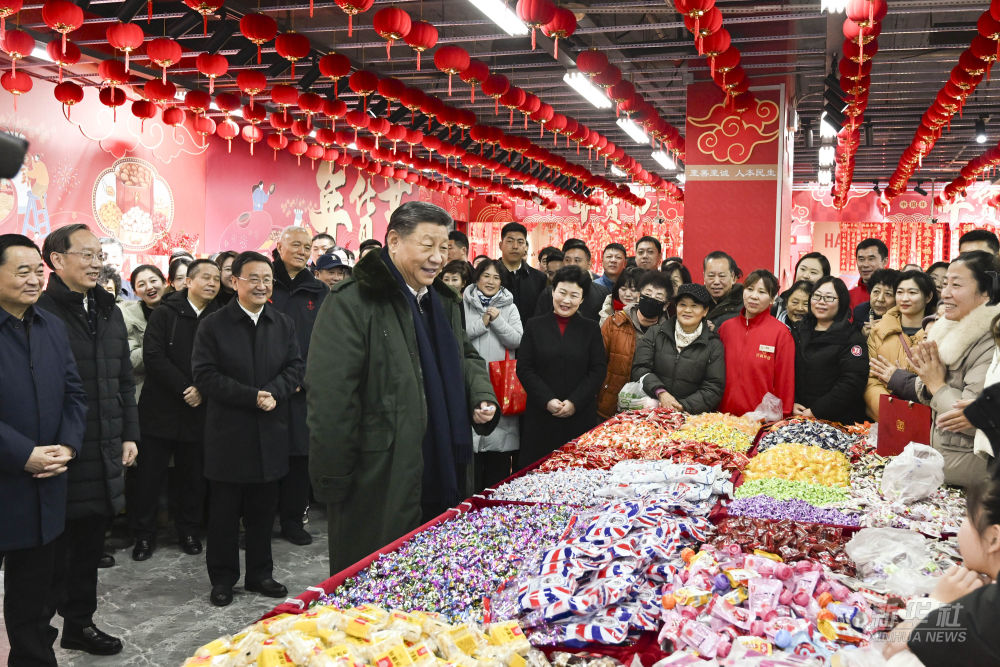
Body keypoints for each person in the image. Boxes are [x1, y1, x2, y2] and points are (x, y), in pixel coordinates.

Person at [307, 202, 499, 574]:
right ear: (393, 241)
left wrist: (480, 395)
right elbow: (331, 399)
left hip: (443, 461)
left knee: (435, 576)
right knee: (377, 581)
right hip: (380, 473)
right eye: (427, 246)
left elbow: (465, 355)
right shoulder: (355, 301)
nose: (438, 258)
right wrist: (333, 480)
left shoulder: (442, 301)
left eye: (443, 248)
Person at [38, 224, 138, 656]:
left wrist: (130, 433)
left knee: (88, 549)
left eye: (100, 255)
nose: (97, 263)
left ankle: (80, 625)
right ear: (57, 260)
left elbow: (123, 380)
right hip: (58, 454)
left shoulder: (107, 308)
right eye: (87, 254)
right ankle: (35, 643)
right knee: (48, 557)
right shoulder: (40, 312)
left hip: (105, 448)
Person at [193, 251, 304, 607]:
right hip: (229, 434)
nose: (261, 285)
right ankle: (223, 579)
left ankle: (260, 574)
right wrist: (251, 396)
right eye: (253, 278)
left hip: (270, 431)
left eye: (267, 279)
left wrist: (274, 392)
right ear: (234, 281)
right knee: (224, 514)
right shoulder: (213, 324)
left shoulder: (282, 323)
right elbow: (205, 375)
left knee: (262, 512)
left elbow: (295, 367)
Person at [0, 234, 87, 667]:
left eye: (39, 271)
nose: (35, 280)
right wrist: (22, 454)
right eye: (23, 272)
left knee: (35, 599)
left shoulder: (51, 325)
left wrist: (67, 446)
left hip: (44, 487)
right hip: (9, 475)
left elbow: (74, 393)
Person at [131, 259, 221, 562]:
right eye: (206, 277)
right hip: (160, 408)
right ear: (188, 282)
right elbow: (153, 356)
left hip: (199, 410)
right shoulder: (165, 313)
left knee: (192, 477)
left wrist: (202, 389)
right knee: (149, 477)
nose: (212, 283)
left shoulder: (220, 316)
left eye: (216, 279)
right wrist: (186, 388)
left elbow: (224, 360)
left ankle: (189, 531)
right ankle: (144, 535)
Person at [881, 478, 1000, 665]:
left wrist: (937, 605)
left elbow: (894, 654)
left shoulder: (985, 615)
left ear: (994, 538)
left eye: (966, 517)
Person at [911, 251, 1000, 488]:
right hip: (947, 471)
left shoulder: (991, 341)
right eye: (945, 284)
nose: (945, 293)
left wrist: (936, 385)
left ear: (986, 292)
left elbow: (974, 421)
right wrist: (928, 382)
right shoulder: (946, 328)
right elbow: (925, 385)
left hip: (978, 480)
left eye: (956, 285)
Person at [270, 227, 328, 547]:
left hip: (302, 390)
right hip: (265, 389)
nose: (302, 251)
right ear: (279, 246)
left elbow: (325, 341)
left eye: (307, 247)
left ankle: (293, 520)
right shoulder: (264, 282)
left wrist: (301, 378)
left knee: (298, 459)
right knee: (265, 456)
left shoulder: (318, 291)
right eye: (295, 244)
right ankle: (261, 521)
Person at [517, 265, 607, 467]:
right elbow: (524, 368)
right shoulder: (534, 326)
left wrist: (574, 402)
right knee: (536, 472)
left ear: (582, 299)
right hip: (541, 415)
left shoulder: (591, 328)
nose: (566, 300)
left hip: (579, 415)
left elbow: (598, 369)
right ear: (553, 291)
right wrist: (547, 400)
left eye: (574, 295)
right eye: (562, 292)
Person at [462, 259, 523, 491]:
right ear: (477, 278)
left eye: (496, 278)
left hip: (501, 384)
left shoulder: (510, 307)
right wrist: (483, 322)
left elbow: (517, 339)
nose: (490, 281)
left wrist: (497, 320)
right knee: (470, 461)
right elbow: (459, 336)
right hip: (470, 382)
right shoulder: (462, 304)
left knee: (498, 459)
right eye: (486, 276)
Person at [631, 283, 725, 414]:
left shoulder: (713, 344)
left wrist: (682, 406)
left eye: (694, 306)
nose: (687, 310)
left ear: (705, 311)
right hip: (652, 410)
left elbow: (713, 387)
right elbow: (640, 368)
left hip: (690, 417)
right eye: (682, 305)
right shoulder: (655, 333)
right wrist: (661, 393)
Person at [789, 277, 868, 424]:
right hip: (799, 415)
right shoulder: (799, 330)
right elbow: (787, 372)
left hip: (837, 421)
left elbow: (852, 381)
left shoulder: (851, 337)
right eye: (817, 296)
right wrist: (791, 402)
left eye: (829, 298)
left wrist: (816, 410)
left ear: (841, 302)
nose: (821, 302)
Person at [717, 270, 795, 418]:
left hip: (760, 421)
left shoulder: (781, 334)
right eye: (750, 289)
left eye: (762, 292)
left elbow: (785, 383)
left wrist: (781, 417)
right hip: (724, 418)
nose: (754, 296)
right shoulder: (726, 328)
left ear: (772, 299)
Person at [597, 271, 671, 418]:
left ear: (666, 305)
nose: (651, 299)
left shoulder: (669, 332)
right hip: (610, 405)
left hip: (651, 411)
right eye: (647, 294)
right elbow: (597, 362)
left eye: (658, 297)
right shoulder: (614, 323)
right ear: (638, 296)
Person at [865, 270, 938, 419]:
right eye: (899, 292)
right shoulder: (879, 331)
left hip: (925, 418)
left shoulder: (937, 333)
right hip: (885, 416)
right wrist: (892, 411)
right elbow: (871, 380)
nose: (904, 298)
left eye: (912, 293)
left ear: (928, 297)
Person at [119, 264, 166, 402]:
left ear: (164, 282)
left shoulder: (180, 311)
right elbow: (132, 359)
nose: (149, 287)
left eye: (153, 281)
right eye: (141, 284)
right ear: (135, 292)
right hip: (146, 391)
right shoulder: (127, 317)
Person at [535, 240, 610, 322]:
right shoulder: (549, 293)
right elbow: (539, 323)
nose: (572, 264)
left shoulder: (602, 293)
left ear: (589, 264)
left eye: (577, 260)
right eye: (567, 260)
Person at [497, 222, 548, 325]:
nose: (515, 246)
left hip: (529, 333)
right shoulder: (488, 276)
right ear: (500, 245)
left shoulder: (539, 278)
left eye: (520, 242)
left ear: (525, 247)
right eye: (510, 241)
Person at [772, 252, 830, 321]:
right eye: (802, 269)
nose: (805, 276)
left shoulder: (829, 303)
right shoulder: (784, 297)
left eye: (813, 272)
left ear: (824, 277)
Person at [853, 268, 900, 335]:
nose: (880, 299)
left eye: (888, 294)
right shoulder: (860, 312)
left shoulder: (904, 318)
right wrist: (862, 336)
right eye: (876, 291)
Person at [703, 251, 744, 328]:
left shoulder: (745, 306)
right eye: (711, 276)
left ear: (733, 278)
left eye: (722, 276)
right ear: (704, 277)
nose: (716, 282)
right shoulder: (696, 302)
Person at [848, 237, 889, 310]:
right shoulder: (849, 296)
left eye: (871, 259)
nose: (865, 265)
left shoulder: (897, 292)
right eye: (861, 259)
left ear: (885, 262)